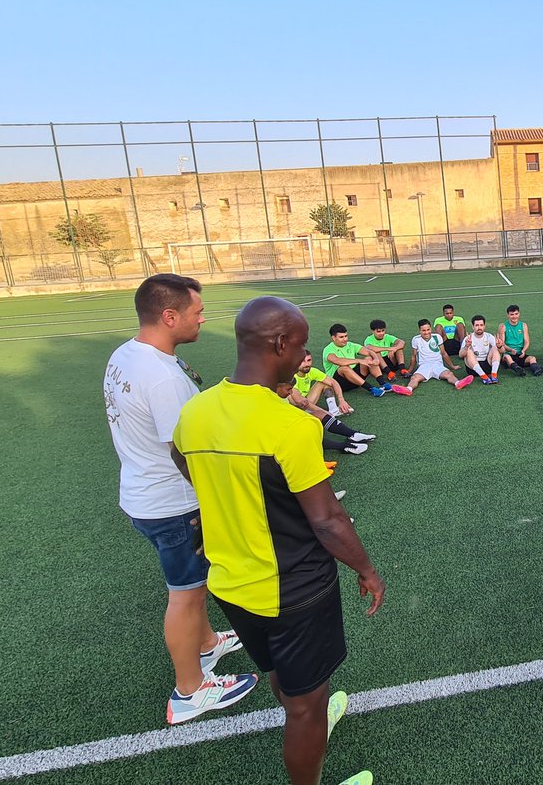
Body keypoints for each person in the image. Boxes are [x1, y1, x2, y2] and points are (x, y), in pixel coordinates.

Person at [171, 296, 382, 785]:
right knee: (306, 707)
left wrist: (221, 502)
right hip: (294, 588)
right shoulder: (289, 424)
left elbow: (182, 460)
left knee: (279, 672)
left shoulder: (196, 411)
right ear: (281, 343)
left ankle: (305, 708)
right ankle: (309, 718)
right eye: (301, 344)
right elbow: (328, 520)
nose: (304, 354)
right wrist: (367, 571)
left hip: (229, 583)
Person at [103, 274, 257, 724]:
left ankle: (207, 643)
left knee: (195, 583)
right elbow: (185, 450)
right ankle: (190, 690)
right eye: (197, 311)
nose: (203, 317)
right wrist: (220, 498)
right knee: (185, 594)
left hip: (143, 494)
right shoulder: (160, 376)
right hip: (172, 505)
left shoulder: (127, 354)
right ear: (169, 316)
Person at [322, 324, 389, 397]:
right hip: (340, 384)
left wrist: (376, 359)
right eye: (341, 337)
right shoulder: (328, 349)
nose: (345, 339)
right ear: (333, 338)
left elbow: (369, 351)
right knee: (344, 368)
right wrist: (359, 360)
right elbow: (338, 361)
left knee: (369, 358)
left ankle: (383, 384)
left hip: (356, 380)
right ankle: (372, 389)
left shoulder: (351, 345)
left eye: (346, 336)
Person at [408, 319, 473, 391]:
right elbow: (413, 356)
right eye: (423, 330)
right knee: (414, 378)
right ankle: (408, 389)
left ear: (431, 329)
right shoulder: (416, 339)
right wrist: (409, 371)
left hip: (437, 364)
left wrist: (452, 366)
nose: (426, 332)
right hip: (424, 365)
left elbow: (444, 353)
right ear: (419, 331)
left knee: (449, 374)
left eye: (428, 329)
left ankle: (458, 383)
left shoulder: (437, 337)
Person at [294, 350, 353, 417]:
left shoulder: (312, 371)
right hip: (294, 409)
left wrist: (341, 400)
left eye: (309, 360)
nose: (307, 364)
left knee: (324, 382)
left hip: (305, 403)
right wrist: (324, 412)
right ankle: (312, 413)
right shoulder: (289, 376)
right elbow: (299, 400)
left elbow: (333, 382)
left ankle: (333, 409)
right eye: (302, 361)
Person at [496, 304, 543, 377]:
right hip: (509, 354)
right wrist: (510, 349)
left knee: (532, 358)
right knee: (507, 357)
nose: (514, 316)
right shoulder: (503, 326)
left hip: (520, 354)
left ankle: (536, 370)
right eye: (512, 314)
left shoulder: (523, 325)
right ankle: (517, 369)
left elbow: (527, 341)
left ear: (519, 314)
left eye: (516, 314)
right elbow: (502, 343)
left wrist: (524, 351)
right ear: (508, 315)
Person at [460, 315, 501, 384]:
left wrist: (500, 346)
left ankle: (494, 375)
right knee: (469, 351)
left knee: (495, 348)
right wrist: (466, 346)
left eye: (481, 325)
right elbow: (461, 355)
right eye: (477, 325)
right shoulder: (468, 338)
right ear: (473, 327)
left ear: (484, 326)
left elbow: (502, 351)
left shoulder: (489, 336)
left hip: (487, 366)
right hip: (473, 368)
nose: (479, 327)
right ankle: (484, 377)